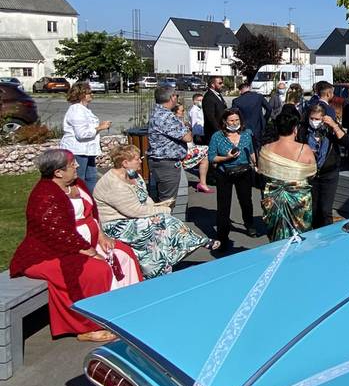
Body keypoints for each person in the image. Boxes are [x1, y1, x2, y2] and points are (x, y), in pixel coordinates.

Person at [10, 149, 142, 342]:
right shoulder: (44, 195)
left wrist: (101, 236)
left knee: (124, 254)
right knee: (94, 271)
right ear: (58, 172)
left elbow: (92, 214)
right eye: (72, 164)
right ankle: (88, 326)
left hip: (86, 241)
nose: (77, 165)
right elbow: (56, 234)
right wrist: (88, 251)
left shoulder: (77, 184)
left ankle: (125, 308)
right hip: (51, 252)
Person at [94, 144, 217, 277]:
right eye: (137, 159)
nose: (141, 160)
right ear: (125, 163)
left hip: (131, 216)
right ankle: (186, 248)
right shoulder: (114, 184)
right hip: (116, 224)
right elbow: (134, 210)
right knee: (157, 224)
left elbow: (145, 198)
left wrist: (157, 208)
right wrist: (162, 210)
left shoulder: (133, 175)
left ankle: (169, 261)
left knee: (162, 223)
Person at [258, 110, 316, 240]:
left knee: (276, 235)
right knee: (300, 235)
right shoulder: (304, 149)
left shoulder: (266, 149)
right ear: (295, 129)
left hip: (274, 197)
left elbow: (262, 171)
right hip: (299, 198)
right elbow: (312, 173)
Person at [207, 108, 257, 247]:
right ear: (225, 121)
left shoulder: (247, 133)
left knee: (246, 201)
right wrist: (226, 157)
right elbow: (211, 157)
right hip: (225, 173)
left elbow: (251, 151)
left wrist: (256, 164)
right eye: (231, 120)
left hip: (244, 171)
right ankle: (222, 235)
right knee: (224, 205)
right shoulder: (217, 136)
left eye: (237, 120)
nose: (234, 123)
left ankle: (249, 224)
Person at [303, 103, 349, 228]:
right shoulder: (304, 131)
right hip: (311, 175)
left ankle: (326, 236)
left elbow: (346, 142)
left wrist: (334, 125)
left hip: (329, 173)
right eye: (312, 118)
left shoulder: (329, 129)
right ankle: (314, 234)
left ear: (323, 118)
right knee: (313, 209)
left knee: (325, 210)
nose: (314, 122)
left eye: (317, 119)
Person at [60, 82, 111, 192]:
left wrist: (98, 127)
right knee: (79, 179)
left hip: (87, 150)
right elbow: (82, 134)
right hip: (78, 150)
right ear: (81, 95)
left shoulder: (84, 109)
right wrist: (100, 128)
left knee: (91, 177)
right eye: (89, 93)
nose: (91, 94)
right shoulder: (77, 110)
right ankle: (80, 201)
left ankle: (90, 202)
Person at [147, 86, 192, 207]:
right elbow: (187, 137)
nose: (177, 98)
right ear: (171, 97)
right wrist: (185, 125)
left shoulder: (156, 112)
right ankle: (164, 225)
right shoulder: (167, 116)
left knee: (162, 199)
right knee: (167, 202)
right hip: (167, 163)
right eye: (176, 96)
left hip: (159, 161)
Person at [173, 102, 212, 193]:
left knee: (205, 154)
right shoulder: (176, 123)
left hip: (185, 149)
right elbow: (188, 138)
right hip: (180, 154)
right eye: (182, 111)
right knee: (206, 151)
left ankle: (202, 182)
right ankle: (203, 182)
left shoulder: (180, 122)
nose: (183, 113)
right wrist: (187, 128)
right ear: (175, 112)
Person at [232, 81, 270, 148]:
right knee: (258, 148)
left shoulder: (236, 101)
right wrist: (264, 119)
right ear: (249, 88)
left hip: (244, 128)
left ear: (240, 90)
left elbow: (234, 115)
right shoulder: (259, 97)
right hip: (259, 127)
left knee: (246, 148)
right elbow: (269, 109)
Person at [201, 76, 227, 142]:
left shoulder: (217, 95)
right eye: (220, 83)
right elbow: (211, 117)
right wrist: (220, 132)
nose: (222, 85)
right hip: (214, 133)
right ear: (213, 85)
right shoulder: (209, 97)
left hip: (221, 130)